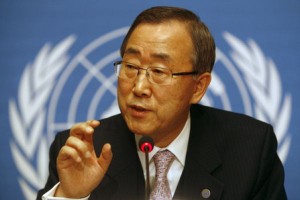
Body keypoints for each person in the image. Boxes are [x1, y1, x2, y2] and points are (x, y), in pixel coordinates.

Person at [37, 6, 287, 200]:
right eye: (131, 67)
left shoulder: (250, 149)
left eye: (159, 71)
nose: (139, 87)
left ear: (198, 87)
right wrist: (71, 196)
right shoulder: (83, 151)